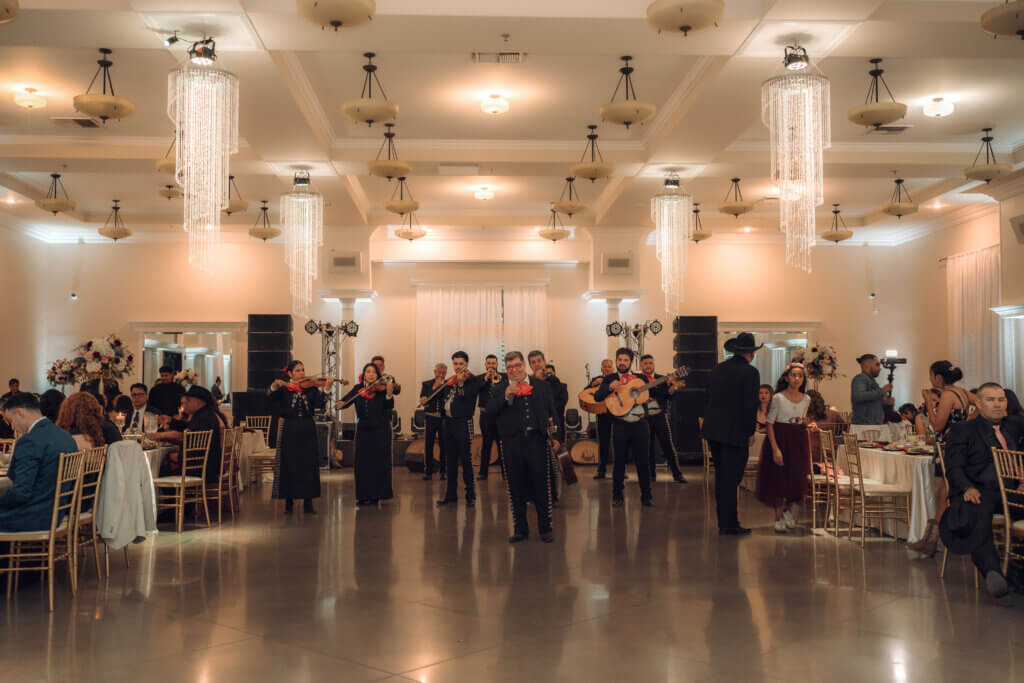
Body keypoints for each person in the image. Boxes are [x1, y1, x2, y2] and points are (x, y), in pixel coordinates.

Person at [942, 382, 1023, 598]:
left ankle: (1017, 569)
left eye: (1001, 399)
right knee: (978, 512)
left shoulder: (1015, 426)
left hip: (1011, 493)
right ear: (978, 403)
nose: (997, 405)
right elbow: (953, 466)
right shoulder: (963, 430)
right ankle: (993, 571)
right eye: (991, 400)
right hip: (977, 490)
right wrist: (967, 487)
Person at [487, 350, 557, 543]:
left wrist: (556, 436)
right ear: (506, 369)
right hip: (511, 443)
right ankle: (520, 528)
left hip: (536, 439)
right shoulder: (499, 388)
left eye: (517, 366)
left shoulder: (541, 386)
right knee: (515, 487)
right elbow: (490, 411)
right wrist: (505, 396)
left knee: (541, 485)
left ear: (524, 366)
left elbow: (552, 410)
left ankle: (545, 528)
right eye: (510, 367)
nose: (514, 370)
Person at [907, 361, 972, 556]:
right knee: (943, 490)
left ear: (938, 378)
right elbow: (978, 403)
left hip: (948, 446)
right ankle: (930, 539)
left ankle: (932, 541)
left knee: (944, 492)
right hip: (958, 444)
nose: (929, 379)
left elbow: (936, 426)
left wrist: (928, 401)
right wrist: (967, 425)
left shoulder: (947, 395)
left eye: (931, 375)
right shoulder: (962, 392)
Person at [701, 332, 762, 536]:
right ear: (751, 354)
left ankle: (725, 521)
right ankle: (729, 524)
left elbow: (708, 396)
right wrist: (750, 431)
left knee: (722, 478)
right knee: (731, 479)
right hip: (735, 434)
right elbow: (749, 405)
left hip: (714, 431)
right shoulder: (750, 373)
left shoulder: (718, 369)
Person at [0, 392, 78, 532]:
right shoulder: (65, 436)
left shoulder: (29, 441)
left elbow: (21, 493)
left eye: (11, 422)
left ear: (20, 412)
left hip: (33, 515)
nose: (12, 428)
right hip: (55, 513)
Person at [268, 361, 331, 514]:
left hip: (308, 430)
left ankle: (308, 503)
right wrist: (274, 386)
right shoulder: (284, 389)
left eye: (303, 370)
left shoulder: (311, 389)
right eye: (297, 370)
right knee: (289, 464)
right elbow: (270, 398)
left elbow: (321, 405)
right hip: (290, 430)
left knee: (308, 465)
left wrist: (327, 389)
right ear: (290, 374)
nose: (302, 373)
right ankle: (289, 502)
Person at [594, 347, 654, 507]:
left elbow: (652, 391)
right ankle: (617, 496)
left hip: (640, 424)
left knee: (643, 462)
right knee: (619, 462)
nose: (622, 363)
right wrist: (608, 388)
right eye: (620, 360)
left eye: (626, 360)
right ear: (616, 361)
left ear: (631, 362)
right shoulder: (609, 378)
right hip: (620, 425)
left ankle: (646, 496)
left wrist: (668, 381)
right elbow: (597, 396)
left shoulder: (640, 377)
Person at [757, 363, 812, 533]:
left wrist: (807, 423)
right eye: (794, 375)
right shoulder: (779, 398)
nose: (797, 379)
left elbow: (802, 419)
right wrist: (775, 448)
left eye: (800, 376)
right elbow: (770, 423)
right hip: (780, 438)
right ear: (787, 378)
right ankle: (778, 517)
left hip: (799, 439)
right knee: (778, 479)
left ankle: (788, 511)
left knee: (795, 477)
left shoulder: (807, 399)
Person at [339, 363, 394, 506]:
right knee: (362, 464)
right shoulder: (358, 389)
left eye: (373, 372)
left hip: (381, 431)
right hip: (363, 431)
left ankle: (377, 495)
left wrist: (388, 394)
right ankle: (363, 495)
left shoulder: (381, 389)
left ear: (378, 375)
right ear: (364, 374)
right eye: (368, 372)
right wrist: (340, 403)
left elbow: (389, 407)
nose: (370, 374)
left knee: (379, 464)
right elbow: (345, 401)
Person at [437, 351, 484, 508]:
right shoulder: (450, 380)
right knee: (450, 461)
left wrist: (461, 383)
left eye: (461, 364)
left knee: (466, 460)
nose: (458, 367)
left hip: (463, 423)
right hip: (448, 423)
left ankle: (470, 494)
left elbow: (466, 396)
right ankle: (450, 495)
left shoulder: (473, 380)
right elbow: (444, 400)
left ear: (466, 364)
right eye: (455, 363)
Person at [639, 354, 686, 483]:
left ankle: (677, 474)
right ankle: (651, 474)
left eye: (650, 363)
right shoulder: (637, 380)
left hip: (660, 416)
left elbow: (670, 397)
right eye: (645, 363)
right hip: (644, 417)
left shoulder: (662, 379)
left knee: (667, 445)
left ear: (653, 364)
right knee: (648, 447)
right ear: (641, 366)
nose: (648, 365)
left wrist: (672, 388)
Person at [528, 351, 566, 504]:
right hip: (536, 430)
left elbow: (558, 406)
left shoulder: (559, 385)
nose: (536, 364)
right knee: (535, 466)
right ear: (530, 365)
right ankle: (533, 496)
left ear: (544, 362)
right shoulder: (527, 384)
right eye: (533, 362)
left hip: (554, 426)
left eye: (539, 361)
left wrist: (548, 381)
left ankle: (555, 496)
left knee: (558, 464)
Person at [477, 354, 506, 480]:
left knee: (502, 445)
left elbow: (506, 391)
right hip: (486, 416)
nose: (491, 366)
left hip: (500, 416)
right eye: (489, 363)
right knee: (486, 444)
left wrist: (497, 382)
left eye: (493, 363)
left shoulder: (504, 377)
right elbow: (476, 390)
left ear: (497, 364)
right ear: (485, 364)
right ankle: (483, 472)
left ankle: (505, 472)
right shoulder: (479, 378)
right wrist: (485, 380)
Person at [419, 363, 448, 480]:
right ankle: (428, 472)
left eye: (443, 373)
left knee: (444, 445)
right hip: (430, 417)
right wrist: (435, 388)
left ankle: (443, 472)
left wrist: (441, 386)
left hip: (443, 418)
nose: (440, 375)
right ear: (434, 372)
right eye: (438, 372)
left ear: (445, 373)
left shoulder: (448, 385)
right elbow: (423, 401)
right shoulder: (426, 384)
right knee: (428, 445)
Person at [589, 358, 615, 480]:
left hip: (617, 415)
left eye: (609, 366)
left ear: (613, 368)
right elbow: (586, 392)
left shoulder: (618, 378)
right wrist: (592, 384)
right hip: (602, 415)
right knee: (603, 444)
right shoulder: (596, 379)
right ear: (601, 369)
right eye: (604, 367)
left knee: (618, 444)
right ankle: (601, 471)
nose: (607, 369)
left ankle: (620, 470)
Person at [850, 354, 893, 425]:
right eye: (877, 365)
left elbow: (878, 407)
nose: (880, 368)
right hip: (864, 425)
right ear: (867, 364)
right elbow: (859, 396)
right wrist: (882, 391)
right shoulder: (859, 379)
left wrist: (888, 404)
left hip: (875, 425)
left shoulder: (873, 382)